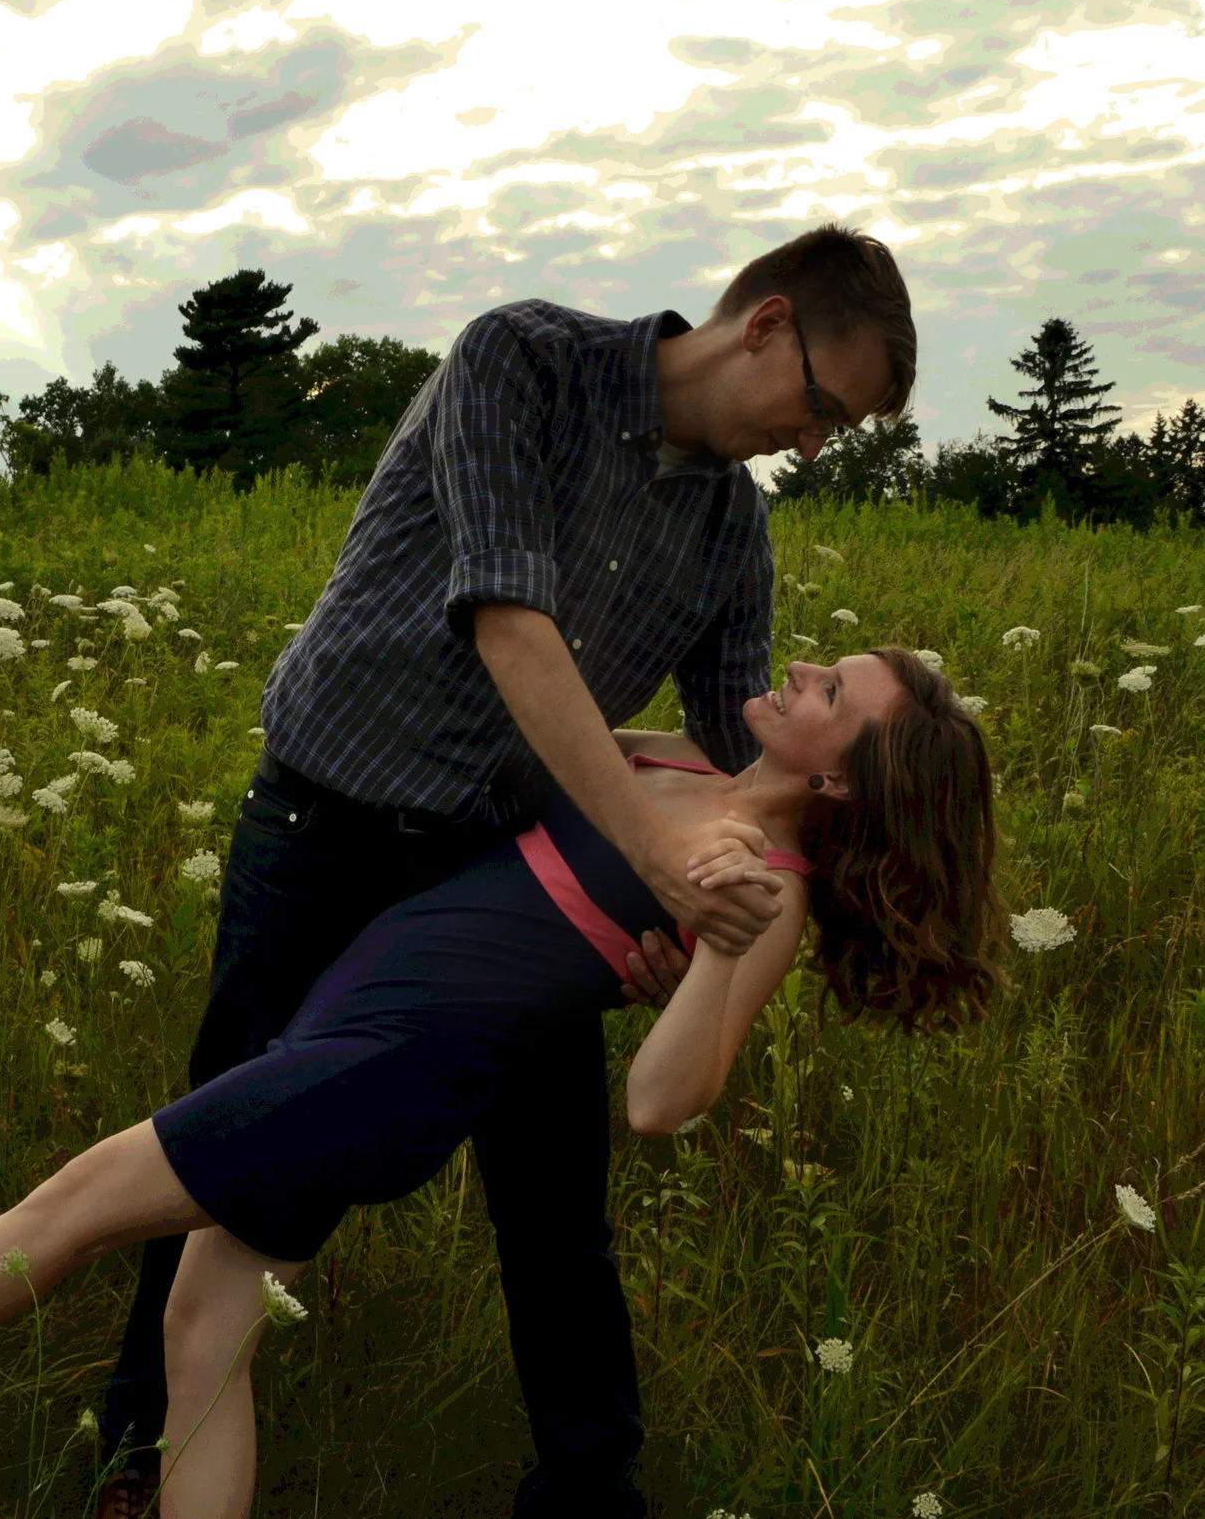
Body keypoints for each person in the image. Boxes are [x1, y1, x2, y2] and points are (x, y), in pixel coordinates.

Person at [0, 649, 1002, 1519]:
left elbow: (660, 1101)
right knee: (204, 1333)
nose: (806, 667)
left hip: (381, 1076)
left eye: (837, 692)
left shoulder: (763, 886)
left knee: (72, 1207)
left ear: (839, 775)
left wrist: (708, 958)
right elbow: (538, 739)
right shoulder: (682, 764)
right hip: (348, 1030)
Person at [98, 221, 921, 1518]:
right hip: (324, 817)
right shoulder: (523, 364)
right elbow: (508, 624)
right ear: (766, 325)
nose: (815, 446)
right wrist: (657, 853)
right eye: (823, 407)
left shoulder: (731, 535)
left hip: (504, 859)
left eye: (841, 431)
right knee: (222, 1131)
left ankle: (590, 1493)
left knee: (555, 1197)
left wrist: (696, 933)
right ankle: (138, 1452)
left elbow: (737, 761)